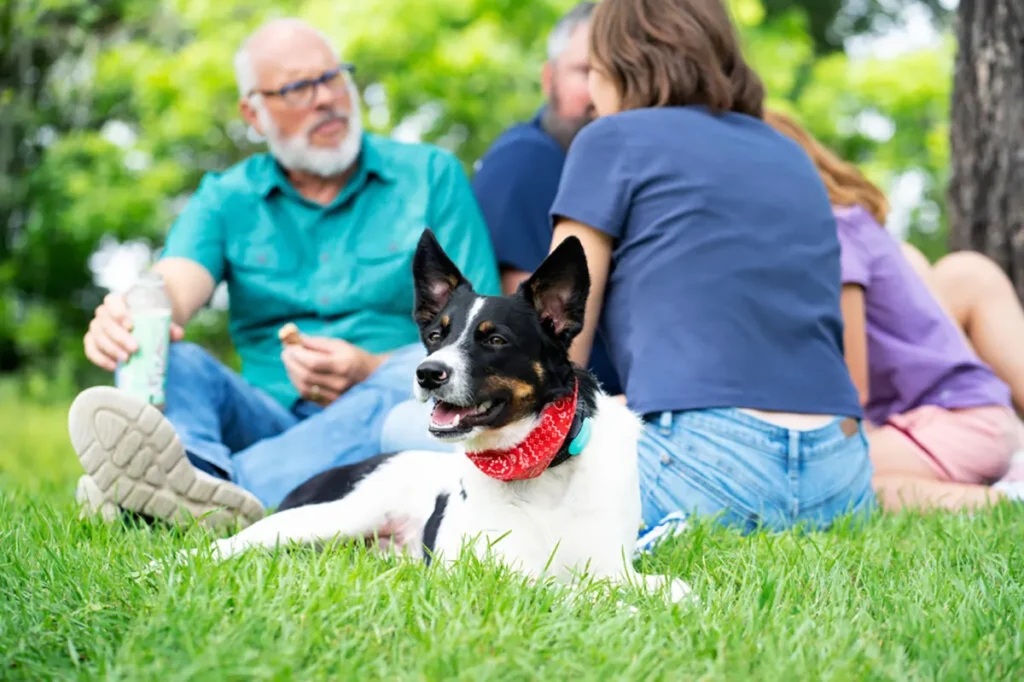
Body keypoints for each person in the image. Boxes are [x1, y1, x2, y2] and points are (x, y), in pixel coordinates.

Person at [69, 18, 500, 528]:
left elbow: (480, 334)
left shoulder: (431, 175)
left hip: (390, 407)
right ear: (252, 113)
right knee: (173, 355)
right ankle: (197, 473)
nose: (325, 99)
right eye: (298, 88)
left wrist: (367, 367)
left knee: (414, 365)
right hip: (265, 420)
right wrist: (131, 313)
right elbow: (174, 283)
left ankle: (201, 490)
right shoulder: (226, 197)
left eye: (333, 77)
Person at [545, 0, 875, 548]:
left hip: (705, 467)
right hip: (840, 472)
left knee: (422, 432)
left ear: (616, 64)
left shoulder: (611, 139)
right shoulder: (791, 153)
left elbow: (556, 335)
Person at [764, 109, 1024, 512]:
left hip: (958, 420)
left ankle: (1005, 498)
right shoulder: (844, 225)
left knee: (829, 481)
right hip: (949, 420)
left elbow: (854, 387)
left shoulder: (831, 233)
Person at [470, 1, 621, 395]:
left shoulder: (597, 169)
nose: (599, 91)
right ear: (548, 78)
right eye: (585, 71)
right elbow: (527, 340)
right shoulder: (528, 161)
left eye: (617, 72)